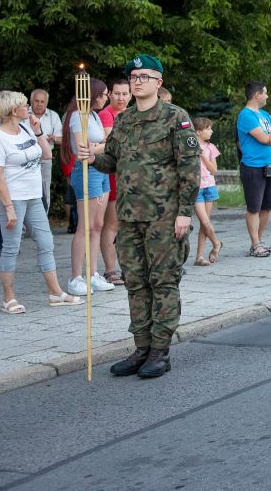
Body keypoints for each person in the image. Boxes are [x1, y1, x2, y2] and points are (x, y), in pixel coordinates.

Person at [78, 54, 201, 378]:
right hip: (130, 216)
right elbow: (113, 162)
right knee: (135, 282)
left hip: (164, 216)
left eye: (145, 76)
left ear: (158, 83)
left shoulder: (176, 118)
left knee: (163, 282)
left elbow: (190, 169)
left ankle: (160, 351)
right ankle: (141, 347)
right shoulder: (125, 120)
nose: (137, 81)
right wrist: (93, 156)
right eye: (133, 77)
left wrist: (184, 214)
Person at [0, 90, 82, 312]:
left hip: (33, 196)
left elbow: (47, 154)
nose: (28, 108)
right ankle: (8, 298)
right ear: (13, 110)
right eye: (23, 105)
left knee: (46, 242)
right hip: (12, 198)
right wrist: (9, 208)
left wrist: (38, 130)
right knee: (11, 247)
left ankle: (55, 292)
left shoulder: (26, 128)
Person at [61, 79, 116, 295]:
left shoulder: (92, 115)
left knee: (97, 224)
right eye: (102, 94)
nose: (105, 98)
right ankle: (76, 277)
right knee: (85, 225)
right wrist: (106, 145)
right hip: (86, 170)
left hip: (100, 169)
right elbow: (84, 148)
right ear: (92, 95)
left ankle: (93, 274)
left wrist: (99, 147)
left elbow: (97, 146)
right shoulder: (78, 116)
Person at [238, 81, 271, 257]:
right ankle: (255, 243)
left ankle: (259, 241)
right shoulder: (246, 115)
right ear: (257, 95)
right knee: (254, 207)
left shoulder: (264, 114)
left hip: (269, 166)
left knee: (267, 206)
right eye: (265, 93)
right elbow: (264, 138)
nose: (267, 96)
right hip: (253, 167)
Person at [99, 78, 131, 286]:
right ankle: (110, 270)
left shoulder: (131, 114)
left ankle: (126, 267)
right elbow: (114, 145)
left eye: (124, 94)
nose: (121, 98)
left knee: (125, 224)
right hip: (113, 174)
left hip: (131, 176)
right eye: (117, 93)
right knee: (111, 223)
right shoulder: (105, 115)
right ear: (109, 94)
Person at [192, 117, 223, 266]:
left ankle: (199, 257)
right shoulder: (190, 147)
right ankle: (216, 243)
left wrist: (203, 155)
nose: (211, 131)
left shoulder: (211, 148)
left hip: (209, 186)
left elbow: (214, 170)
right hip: (196, 188)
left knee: (205, 224)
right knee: (204, 221)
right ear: (198, 132)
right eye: (208, 128)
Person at [30, 89, 62, 215]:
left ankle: (43, 218)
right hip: (26, 158)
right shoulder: (24, 115)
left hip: (45, 158)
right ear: (32, 101)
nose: (39, 104)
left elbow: (62, 139)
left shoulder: (53, 116)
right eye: (36, 101)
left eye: (42, 101)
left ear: (47, 102)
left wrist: (54, 138)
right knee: (26, 189)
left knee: (44, 189)